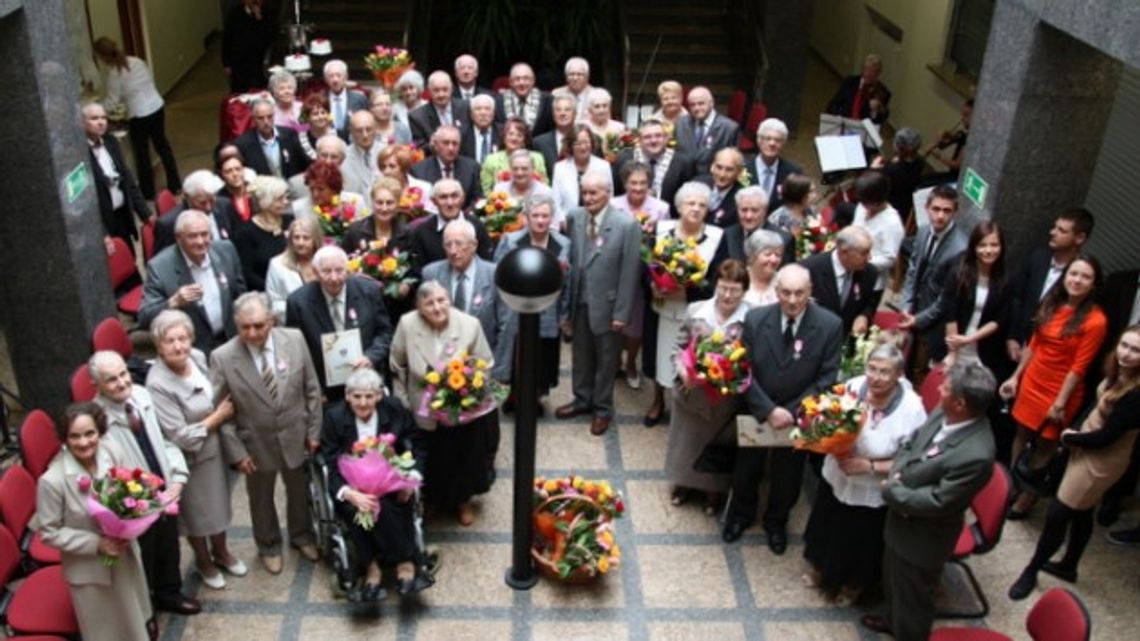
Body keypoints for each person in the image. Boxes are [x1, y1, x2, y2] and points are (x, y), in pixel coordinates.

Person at [861, 360, 997, 641]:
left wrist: (893, 490)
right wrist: (899, 470)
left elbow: (939, 501)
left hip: (923, 537)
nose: (939, 388)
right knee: (895, 581)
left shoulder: (977, 454)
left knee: (914, 598)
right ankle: (892, 619)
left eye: (945, 388)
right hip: (902, 519)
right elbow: (913, 442)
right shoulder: (945, 411)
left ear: (960, 403)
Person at [1007, 325, 1140, 600]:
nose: (1126, 354)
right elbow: (1097, 408)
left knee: (1058, 513)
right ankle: (1069, 566)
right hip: (1085, 443)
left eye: (1136, 350)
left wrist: (1069, 438)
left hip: (1100, 460)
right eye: (1124, 345)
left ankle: (1031, 570)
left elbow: (1107, 437)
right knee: (1081, 512)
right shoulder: (1119, 372)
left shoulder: (1136, 394)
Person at [724, 265, 843, 550]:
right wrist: (768, 409)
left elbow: (827, 377)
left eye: (799, 293)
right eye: (786, 293)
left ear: (810, 291)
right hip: (757, 410)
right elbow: (742, 368)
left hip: (797, 417)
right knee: (746, 469)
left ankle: (776, 522)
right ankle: (740, 515)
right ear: (776, 292)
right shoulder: (755, 319)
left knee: (788, 476)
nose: (792, 300)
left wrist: (791, 411)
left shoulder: (829, 325)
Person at [802, 344, 927, 605]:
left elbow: (913, 461)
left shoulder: (913, 410)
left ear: (898, 376)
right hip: (838, 475)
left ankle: (852, 585)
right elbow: (827, 421)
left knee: (860, 539)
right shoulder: (852, 386)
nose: (876, 377)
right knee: (827, 525)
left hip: (871, 488)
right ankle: (820, 569)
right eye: (872, 368)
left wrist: (869, 466)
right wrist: (829, 443)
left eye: (885, 372)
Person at [210, 293, 323, 574]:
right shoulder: (223, 357)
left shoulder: (294, 339)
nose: (252, 333)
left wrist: (314, 431)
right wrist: (237, 452)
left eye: (259, 326)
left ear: (272, 320)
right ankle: (269, 544)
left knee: (299, 491)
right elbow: (220, 414)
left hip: (296, 435)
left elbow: (312, 388)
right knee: (260, 498)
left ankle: (301, 535)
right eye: (244, 327)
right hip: (255, 443)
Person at [89, 351, 200, 616]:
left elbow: (165, 441)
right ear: (98, 386)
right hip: (133, 504)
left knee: (169, 546)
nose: (122, 383)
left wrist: (177, 479)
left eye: (123, 374)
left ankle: (169, 593)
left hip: (164, 490)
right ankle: (145, 610)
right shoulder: (96, 420)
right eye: (111, 379)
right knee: (142, 557)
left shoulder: (142, 395)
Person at [33, 402, 153, 641]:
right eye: (74, 436)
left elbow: (131, 486)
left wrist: (138, 510)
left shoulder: (111, 451)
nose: (84, 442)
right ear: (64, 439)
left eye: (90, 433)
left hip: (124, 556)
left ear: (99, 431)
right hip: (91, 571)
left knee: (134, 619)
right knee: (106, 631)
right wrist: (97, 544)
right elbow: (48, 532)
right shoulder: (52, 481)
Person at [145, 310, 245, 590]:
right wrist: (217, 418)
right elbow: (181, 436)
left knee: (219, 505)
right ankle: (204, 561)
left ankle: (222, 552)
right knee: (197, 515)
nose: (179, 346)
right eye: (170, 341)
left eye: (183, 338)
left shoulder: (198, 358)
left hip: (216, 450)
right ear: (158, 346)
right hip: (192, 459)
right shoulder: (157, 384)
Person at [1001, 255, 1108, 518]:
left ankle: (1027, 497)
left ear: (1093, 284)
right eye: (1073, 274)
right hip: (1033, 381)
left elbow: (1079, 367)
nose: (1077, 280)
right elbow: (1034, 344)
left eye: (1085, 276)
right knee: (1021, 435)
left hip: (1059, 392)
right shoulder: (1052, 303)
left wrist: (1059, 402)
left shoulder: (1096, 321)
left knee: (1045, 446)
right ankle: (1010, 485)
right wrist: (1016, 377)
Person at [389, 281, 496, 525]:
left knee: (463, 454)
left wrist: (471, 390)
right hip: (423, 408)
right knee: (432, 456)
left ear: (450, 300)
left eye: (442, 300)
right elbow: (397, 365)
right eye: (429, 303)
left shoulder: (469, 324)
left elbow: (486, 364)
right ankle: (432, 500)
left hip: (461, 409)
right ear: (419, 307)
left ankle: (463, 501)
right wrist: (403, 402)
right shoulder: (408, 324)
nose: (437, 308)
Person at [321, 368, 425, 599]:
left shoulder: (394, 409)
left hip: (391, 478)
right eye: (356, 396)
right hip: (353, 485)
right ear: (347, 396)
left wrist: (411, 477)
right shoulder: (334, 417)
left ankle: (403, 565)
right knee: (362, 507)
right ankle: (377, 567)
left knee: (388, 504)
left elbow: (416, 441)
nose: (363, 402)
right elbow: (330, 459)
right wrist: (348, 493)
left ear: (379, 395)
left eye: (369, 396)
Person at [555, 171, 643, 436]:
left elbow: (630, 273)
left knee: (606, 361)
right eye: (585, 192)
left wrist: (622, 313)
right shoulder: (575, 217)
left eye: (594, 192)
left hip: (609, 306)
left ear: (608, 192)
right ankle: (582, 399)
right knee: (580, 355)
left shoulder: (626, 225)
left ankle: (602, 409)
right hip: (579, 302)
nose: (588, 197)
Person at [665, 260, 751, 515]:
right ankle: (682, 484)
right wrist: (683, 371)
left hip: (724, 399)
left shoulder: (751, 318)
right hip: (690, 393)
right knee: (685, 443)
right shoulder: (696, 310)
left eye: (734, 290)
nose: (727, 295)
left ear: (744, 291)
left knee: (717, 446)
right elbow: (677, 349)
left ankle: (713, 493)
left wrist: (732, 376)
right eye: (723, 287)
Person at [643, 182, 727, 426]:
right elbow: (646, 263)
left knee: (690, 360)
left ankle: (685, 407)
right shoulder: (661, 229)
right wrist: (653, 284)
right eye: (690, 203)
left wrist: (689, 285)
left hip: (695, 311)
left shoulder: (716, 236)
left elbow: (717, 276)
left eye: (702, 205)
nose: (696, 208)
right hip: (662, 306)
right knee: (658, 354)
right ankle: (657, 400)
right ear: (679, 206)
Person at [939, 222, 1016, 461]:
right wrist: (953, 350)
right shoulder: (960, 271)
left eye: (994, 245)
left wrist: (969, 339)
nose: (989, 250)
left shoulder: (1004, 279)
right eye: (983, 245)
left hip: (984, 349)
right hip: (957, 345)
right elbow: (949, 311)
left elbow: (999, 320)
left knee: (974, 402)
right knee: (949, 397)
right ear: (974, 246)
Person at [286, 246, 394, 400]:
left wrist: (370, 357)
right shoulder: (298, 303)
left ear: (348, 270)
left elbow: (385, 333)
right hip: (325, 390)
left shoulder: (369, 291)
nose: (334, 278)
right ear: (315, 272)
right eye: (327, 271)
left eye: (339, 270)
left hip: (366, 384)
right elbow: (295, 351)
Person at [493, 194, 572, 403]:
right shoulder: (510, 241)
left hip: (549, 311)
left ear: (552, 217)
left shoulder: (563, 243)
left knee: (542, 355)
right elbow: (498, 275)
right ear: (526, 217)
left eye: (545, 216)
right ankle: (513, 393)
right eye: (535, 215)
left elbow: (567, 283)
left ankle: (536, 394)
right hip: (515, 310)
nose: (540, 220)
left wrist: (564, 315)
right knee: (515, 352)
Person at [139, 210, 247, 356]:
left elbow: (240, 293)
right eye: (192, 236)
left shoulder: (226, 250)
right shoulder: (159, 267)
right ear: (178, 238)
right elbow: (145, 318)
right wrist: (173, 302)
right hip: (194, 350)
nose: (200, 241)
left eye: (204, 234)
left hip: (232, 342)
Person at [94, 37, 181, 200]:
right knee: (162, 145)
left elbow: (112, 102)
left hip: (140, 115)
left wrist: (97, 110)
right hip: (157, 106)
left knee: (142, 155)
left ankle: (148, 193)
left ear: (102, 57)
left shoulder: (114, 73)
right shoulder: (137, 61)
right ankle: (175, 184)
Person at [421, 219, 510, 379]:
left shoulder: (495, 275)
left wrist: (498, 373)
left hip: (483, 366)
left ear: (474, 245)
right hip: (442, 368)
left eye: (459, 244)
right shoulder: (431, 274)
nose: (453, 251)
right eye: (448, 245)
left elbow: (506, 327)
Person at [1007, 208, 1096, 363]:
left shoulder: (1078, 277)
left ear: (1079, 238)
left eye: (1061, 230)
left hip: (1044, 355)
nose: (1052, 232)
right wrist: (1012, 337)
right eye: (1055, 227)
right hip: (1014, 342)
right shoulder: (1037, 257)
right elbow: (1017, 297)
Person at [610, 161, 669, 389]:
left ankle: (632, 363)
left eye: (643, 183)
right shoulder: (613, 205)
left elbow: (667, 246)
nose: (637, 187)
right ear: (625, 183)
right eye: (633, 182)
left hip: (644, 276)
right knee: (614, 321)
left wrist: (652, 235)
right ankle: (615, 361)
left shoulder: (661, 208)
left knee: (636, 325)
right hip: (616, 272)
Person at [898, 185, 969, 371]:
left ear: (955, 212)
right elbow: (913, 270)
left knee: (922, 369)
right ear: (927, 208)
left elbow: (947, 298)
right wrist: (905, 304)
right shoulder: (922, 231)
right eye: (936, 209)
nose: (940, 216)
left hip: (937, 320)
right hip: (913, 308)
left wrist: (919, 319)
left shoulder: (960, 248)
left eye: (947, 211)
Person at [83, 102, 151, 255]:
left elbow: (127, 179)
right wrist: (101, 233)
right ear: (82, 122)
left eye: (104, 118)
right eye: (94, 118)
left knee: (130, 260)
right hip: (103, 223)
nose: (101, 122)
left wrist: (145, 214)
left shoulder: (110, 142)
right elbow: (84, 202)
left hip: (123, 216)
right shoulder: (78, 153)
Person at [799, 226, 878, 336]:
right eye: (864, 253)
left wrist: (864, 316)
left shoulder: (869, 273)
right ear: (844, 252)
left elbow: (870, 303)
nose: (869, 258)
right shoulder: (808, 270)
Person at [612, 119, 696, 213]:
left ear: (666, 138)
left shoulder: (682, 162)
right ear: (639, 140)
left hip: (669, 219)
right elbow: (616, 191)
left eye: (658, 136)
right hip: (629, 217)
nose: (653, 140)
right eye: (647, 137)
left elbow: (686, 197)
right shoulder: (624, 159)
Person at [408, 178, 494, 268]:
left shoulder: (477, 227)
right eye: (443, 197)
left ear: (463, 198)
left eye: (454, 196)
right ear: (433, 201)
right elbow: (419, 271)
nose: (450, 203)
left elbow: (486, 265)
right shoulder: (422, 232)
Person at [850, 171, 903, 309]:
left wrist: (861, 262)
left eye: (868, 203)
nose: (864, 207)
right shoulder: (862, 207)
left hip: (872, 281)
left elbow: (889, 258)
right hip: (850, 271)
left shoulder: (892, 223)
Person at [153, 170, 239, 254]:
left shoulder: (224, 205)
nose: (209, 207)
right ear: (187, 197)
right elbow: (162, 262)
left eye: (212, 200)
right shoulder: (169, 224)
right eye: (202, 203)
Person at [233, 175, 293, 291]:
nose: (285, 202)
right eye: (279, 199)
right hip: (266, 291)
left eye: (286, 197)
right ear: (265, 202)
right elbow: (248, 273)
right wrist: (274, 288)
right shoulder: (246, 233)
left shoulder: (290, 221)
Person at [234, 99, 311, 180]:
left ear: (274, 116)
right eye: (260, 118)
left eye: (269, 117)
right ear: (253, 119)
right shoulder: (243, 144)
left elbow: (303, 163)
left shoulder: (290, 135)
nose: (266, 122)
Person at [410, 125, 483, 208]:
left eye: (455, 144)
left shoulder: (472, 168)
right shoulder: (419, 171)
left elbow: (478, 200)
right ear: (436, 145)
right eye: (446, 143)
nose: (451, 148)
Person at [266, 217, 322, 324]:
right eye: (296, 237)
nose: (300, 243)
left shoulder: (326, 261)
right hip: (293, 326)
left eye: (306, 238)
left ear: (315, 239)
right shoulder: (277, 265)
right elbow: (274, 302)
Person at [674, 87, 741, 175]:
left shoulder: (729, 128)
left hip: (714, 180)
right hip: (683, 179)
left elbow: (734, 162)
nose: (696, 108)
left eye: (701, 103)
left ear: (712, 103)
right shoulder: (681, 123)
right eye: (692, 105)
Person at [552, 125, 612, 221]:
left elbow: (609, 198)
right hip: (568, 223)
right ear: (570, 145)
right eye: (577, 143)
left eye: (586, 142)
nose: (583, 147)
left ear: (592, 143)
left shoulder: (603, 166)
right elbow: (555, 202)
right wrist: (562, 221)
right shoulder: (560, 168)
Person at [723, 186, 795, 266]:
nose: (748, 216)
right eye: (744, 210)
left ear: (765, 210)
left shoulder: (784, 239)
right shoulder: (727, 234)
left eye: (754, 210)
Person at [479, 117, 548, 194]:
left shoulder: (537, 158)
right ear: (504, 136)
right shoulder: (491, 160)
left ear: (524, 139)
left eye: (519, 135)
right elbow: (485, 189)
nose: (514, 138)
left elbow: (544, 185)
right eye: (511, 134)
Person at [748, 118, 802, 211]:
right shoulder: (742, 168)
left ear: (784, 143)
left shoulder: (793, 172)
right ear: (759, 141)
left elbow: (797, 205)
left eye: (778, 140)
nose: (772, 143)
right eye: (767, 138)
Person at [222, 0, 275, 93]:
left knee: (258, 91)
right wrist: (226, 63)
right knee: (239, 91)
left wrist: (259, 18)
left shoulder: (269, 12)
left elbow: (271, 37)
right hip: (238, 63)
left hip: (259, 62)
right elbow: (227, 39)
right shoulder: (235, 13)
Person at [491, 150, 556, 226]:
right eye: (515, 168)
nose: (520, 173)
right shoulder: (499, 189)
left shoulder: (545, 192)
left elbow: (555, 224)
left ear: (533, 169)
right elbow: (494, 221)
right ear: (510, 169)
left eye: (524, 168)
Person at [289, 160, 367, 223]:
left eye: (321, 189)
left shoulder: (356, 201)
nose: (315, 194)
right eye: (312, 188)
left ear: (334, 188)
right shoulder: (299, 208)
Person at [409, 71, 470, 150]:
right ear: (429, 91)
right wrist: (432, 146)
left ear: (452, 89)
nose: (441, 95)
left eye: (445, 90)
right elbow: (419, 147)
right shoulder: (417, 117)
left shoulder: (466, 107)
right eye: (436, 90)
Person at [827, 53, 892, 124]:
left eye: (872, 71)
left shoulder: (882, 92)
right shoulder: (850, 82)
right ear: (862, 69)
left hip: (863, 129)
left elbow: (879, 121)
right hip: (843, 124)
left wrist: (875, 111)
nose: (868, 74)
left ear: (878, 74)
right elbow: (833, 105)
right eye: (866, 69)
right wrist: (839, 117)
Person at [494, 62, 554, 136]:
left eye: (526, 78)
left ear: (533, 81)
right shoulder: (498, 102)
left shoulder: (547, 101)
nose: (521, 83)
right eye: (517, 79)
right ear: (510, 82)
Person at [876, 127, 925, 218]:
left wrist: (874, 169)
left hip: (889, 209)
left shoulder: (891, 170)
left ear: (898, 147)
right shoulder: (920, 162)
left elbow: (876, 187)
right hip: (907, 205)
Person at [695, 147, 746, 228]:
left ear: (739, 172)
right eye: (719, 167)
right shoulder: (696, 185)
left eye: (729, 170)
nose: (722, 175)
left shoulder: (742, 198)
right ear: (712, 167)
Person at [532, 93, 578, 176]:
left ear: (575, 114)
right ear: (553, 115)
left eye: (567, 110)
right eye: (558, 110)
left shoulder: (585, 141)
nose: (562, 113)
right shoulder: (539, 143)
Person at [379, 143, 435, 208]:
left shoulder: (425, 188)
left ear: (404, 168)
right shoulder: (376, 190)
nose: (386, 171)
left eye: (392, 166)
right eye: (383, 167)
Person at [341, 110, 383, 196]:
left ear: (376, 129)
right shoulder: (342, 157)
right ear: (351, 131)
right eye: (359, 131)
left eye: (369, 129)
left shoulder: (387, 152)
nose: (365, 135)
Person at [324, 59, 369, 136]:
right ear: (325, 79)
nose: (335, 80)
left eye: (338, 75)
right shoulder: (321, 100)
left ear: (346, 77)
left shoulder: (359, 99)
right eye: (331, 76)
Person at [742, 229, 786, 307]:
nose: (773, 260)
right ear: (753, 256)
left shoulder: (784, 281)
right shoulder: (739, 278)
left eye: (778, 255)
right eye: (768, 254)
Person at [766, 174, 816, 238]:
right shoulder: (777, 218)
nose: (815, 196)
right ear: (800, 194)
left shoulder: (811, 211)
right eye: (811, 192)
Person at [461, 94, 502, 165]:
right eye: (478, 109)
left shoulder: (503, 132)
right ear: (471, 114)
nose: (483, 113)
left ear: (494, 113)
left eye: (487, 109)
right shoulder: (461, 133)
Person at [216, 145, 252, 222]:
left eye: (238, 169)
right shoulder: (218, 201)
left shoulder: (256, 191)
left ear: (243, 171)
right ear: (221, 175)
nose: (235, 174)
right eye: (229, 171)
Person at [299, 94, 336, 161]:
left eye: (323, 112)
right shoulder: (297, 141)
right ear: (308, 118)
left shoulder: (340, 135)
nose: (320, 117)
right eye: (315, 114)